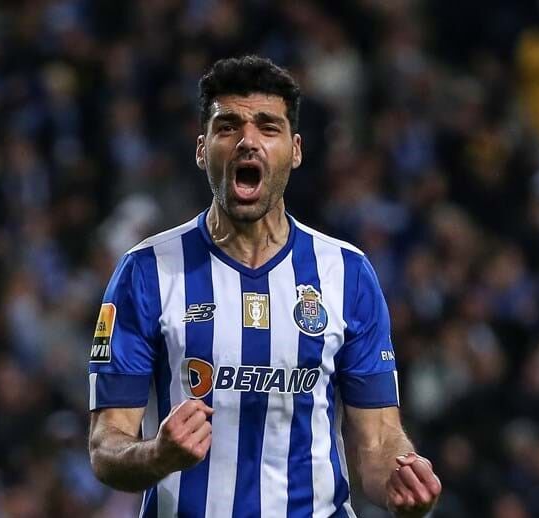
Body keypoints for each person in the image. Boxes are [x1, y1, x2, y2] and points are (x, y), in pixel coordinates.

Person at [88, 55, 441, 517]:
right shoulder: (146, 271)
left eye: (268, 127)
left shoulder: (346, 273)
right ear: (202, 149)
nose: (247, 141)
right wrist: (157, 454)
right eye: (228, 126)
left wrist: (400, 480)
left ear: (295, 150)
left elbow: (377, 440)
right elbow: (106, 446)